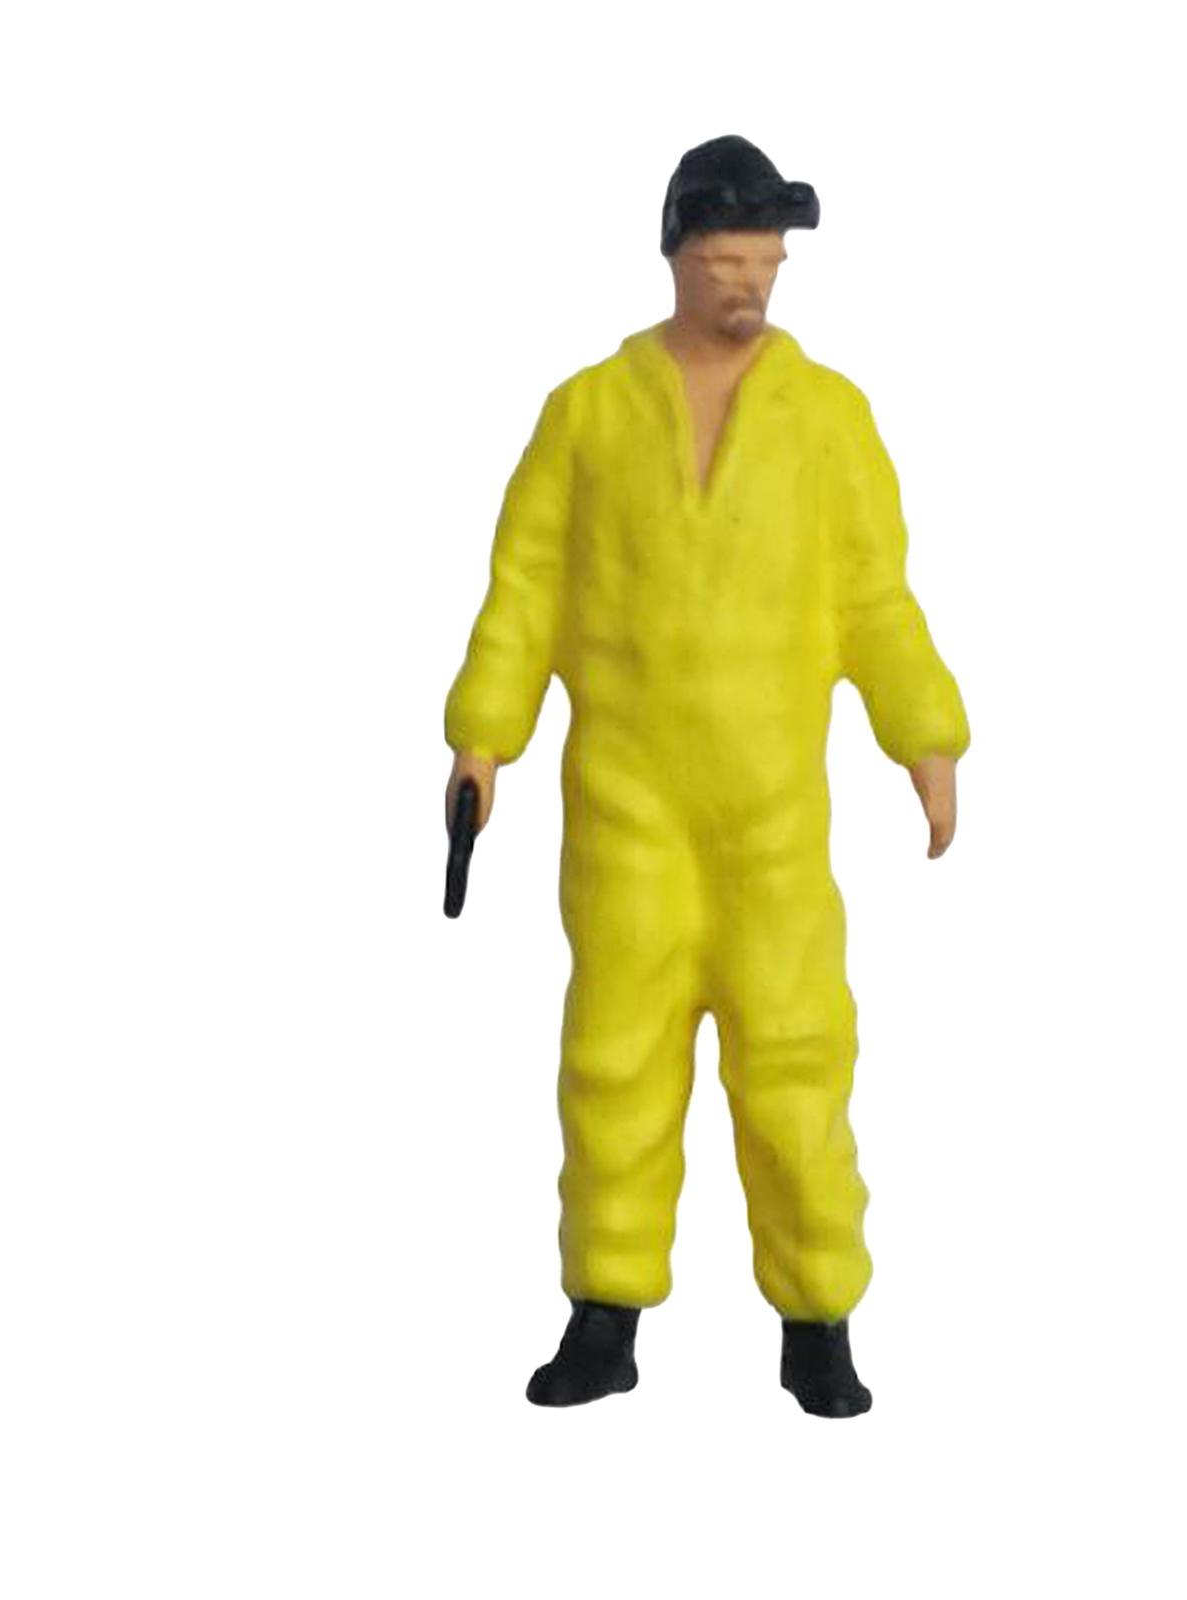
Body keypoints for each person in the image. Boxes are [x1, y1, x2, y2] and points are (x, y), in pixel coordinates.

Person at [445, 134, 969, 1417]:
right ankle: (605, 1308)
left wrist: (925, 736)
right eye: (728, 260)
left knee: (796, 1056)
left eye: (767, 263)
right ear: (677, 253)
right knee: (613, 1057)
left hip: (770, 819)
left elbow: (875, 597)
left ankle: (816, 1316)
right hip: (627, 811)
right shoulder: (586, 415)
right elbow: (525, 589)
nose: (750, 283)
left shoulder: (828, 420)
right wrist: (482, 737)